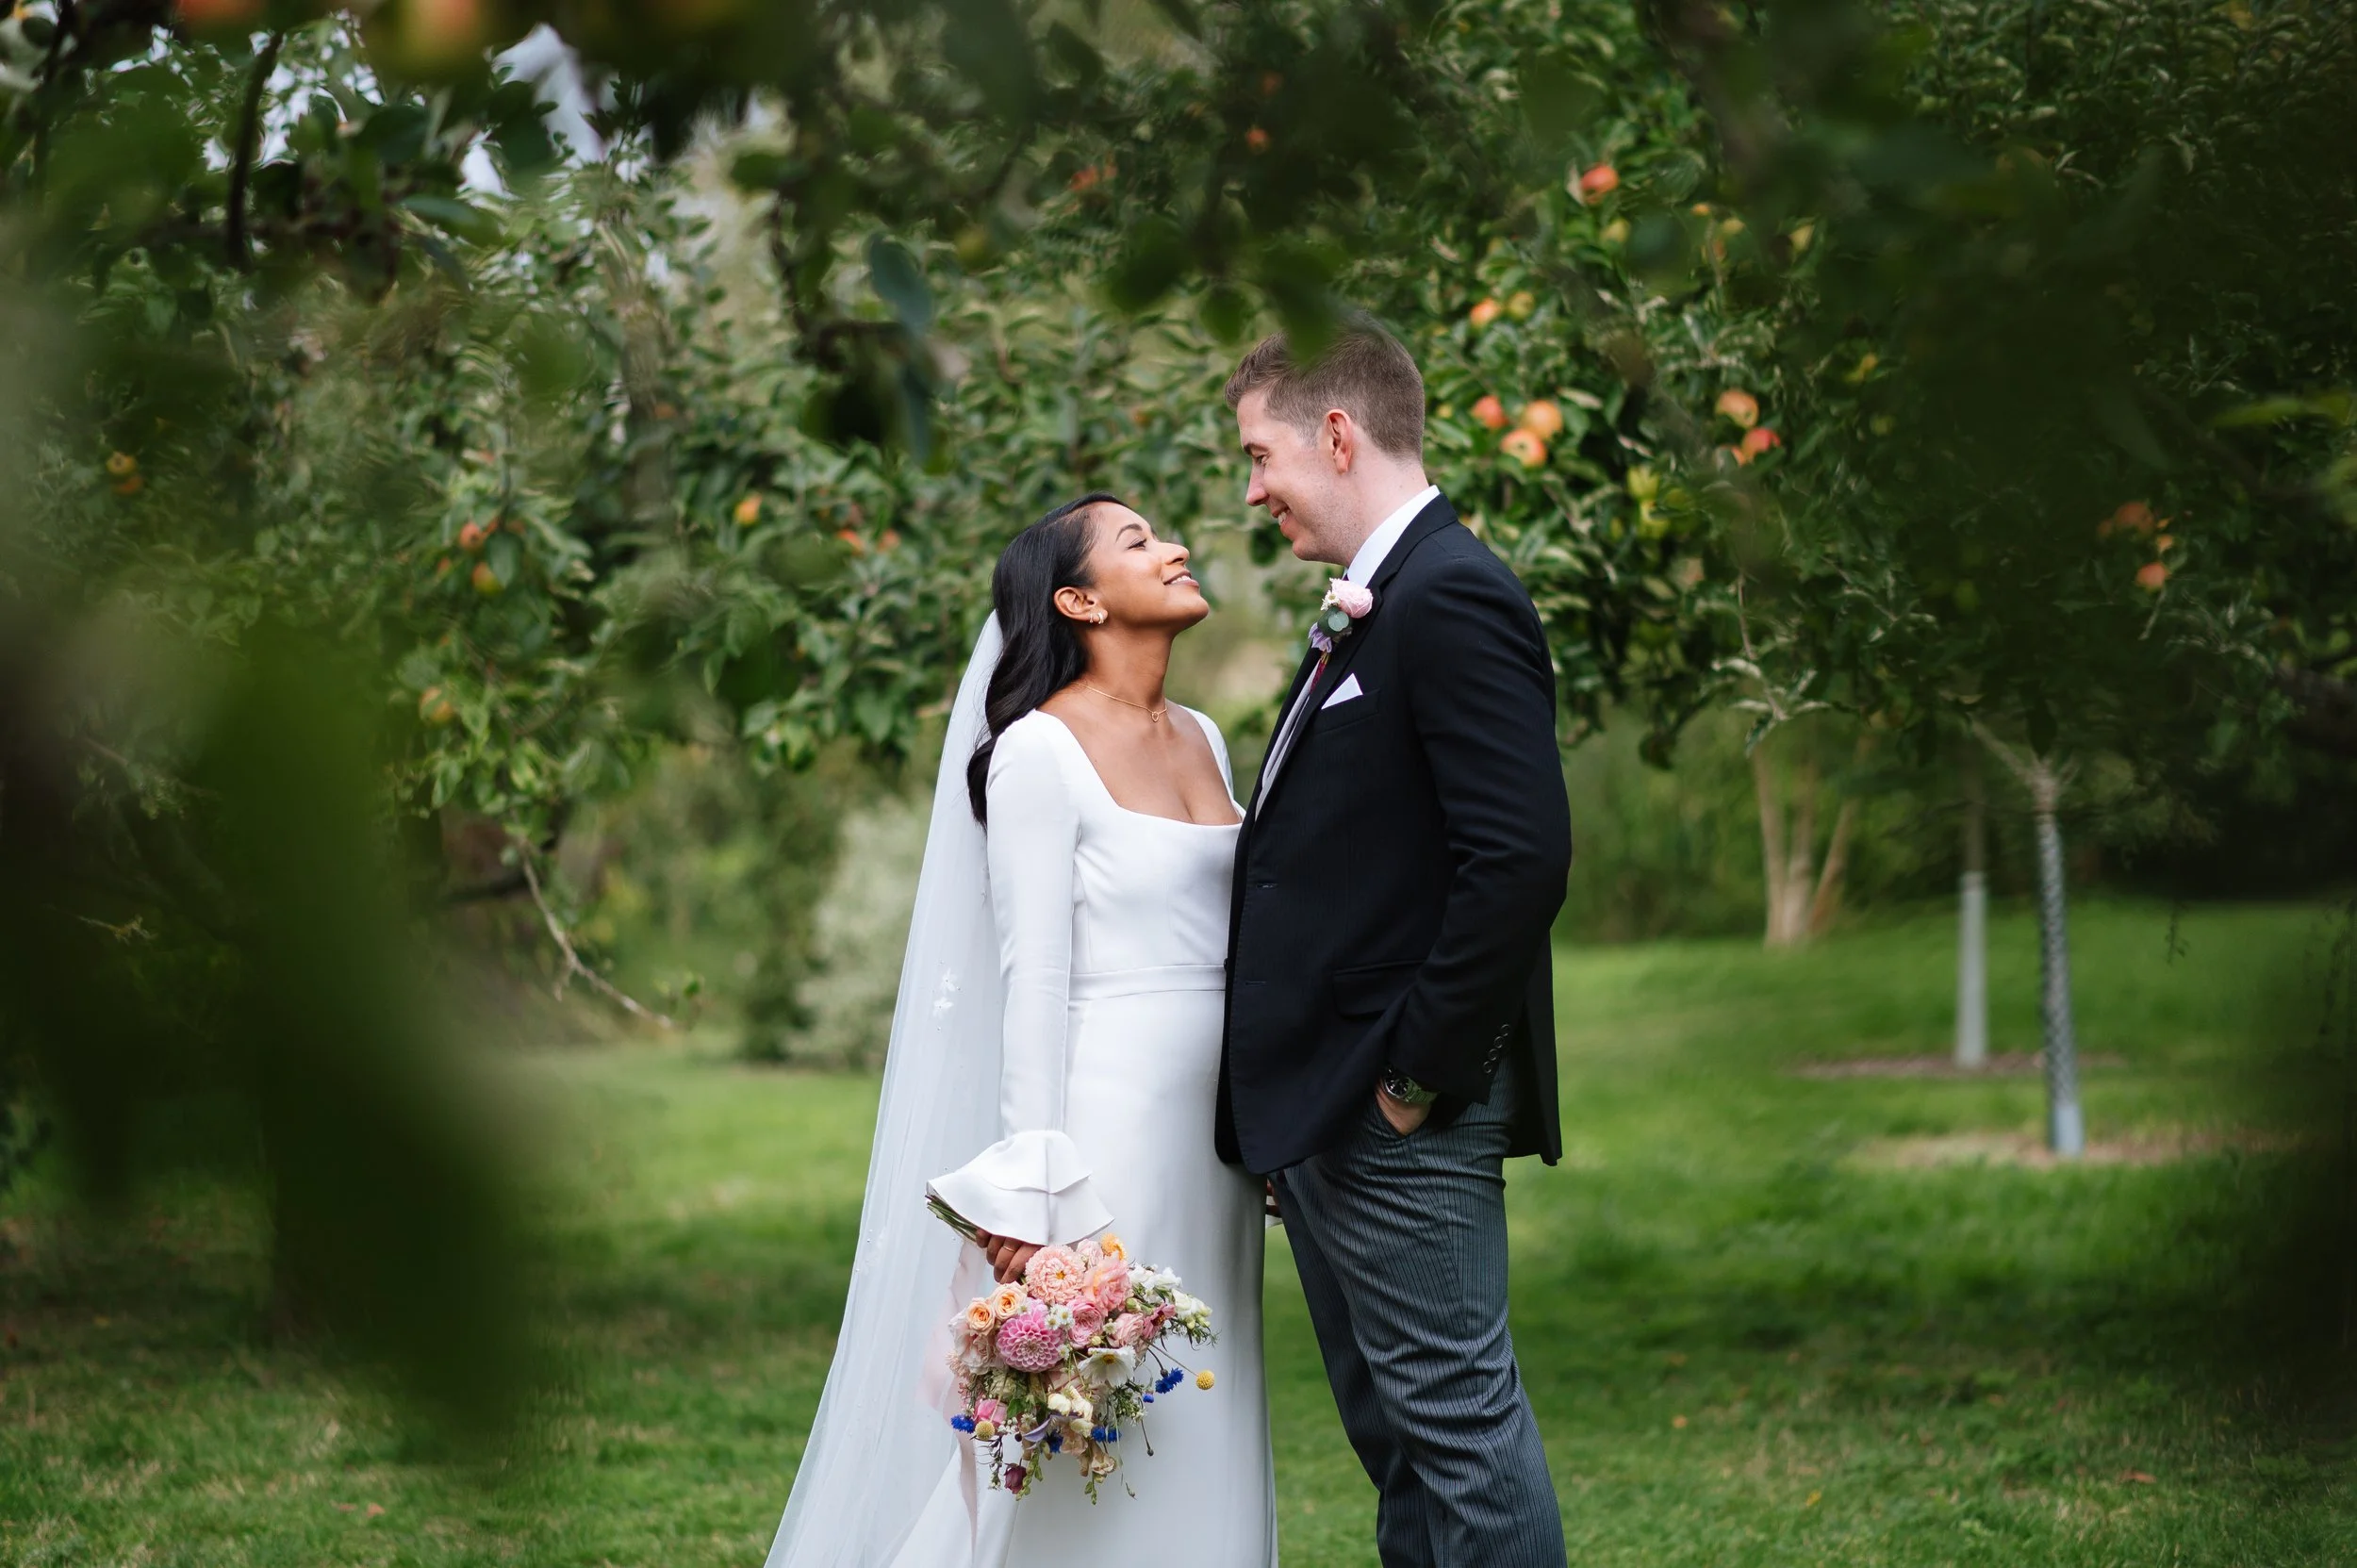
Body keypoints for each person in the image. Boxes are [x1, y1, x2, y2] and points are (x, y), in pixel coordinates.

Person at [764, 494, 1277, 1567]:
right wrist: (1035, 1208)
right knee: (1099, 1421)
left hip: (1217, 1145)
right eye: (1139, 541)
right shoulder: (1038, 752)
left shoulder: (1207, 737)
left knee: (1203, 1404)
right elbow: (1031, 981)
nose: (1176, 546)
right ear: (1079, 599)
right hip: (1109, 1139)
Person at [1219, 319, 1574, 1567]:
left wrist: (1414, 1076)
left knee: (1460, 1433)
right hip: (1334, 1102)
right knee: (1406, 1444)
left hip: (1395, 1103)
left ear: (1335, 430)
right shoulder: (1385, 599)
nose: (1249, 487)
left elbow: (1520, 856)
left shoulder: (1454, 589)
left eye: (1259, 453)